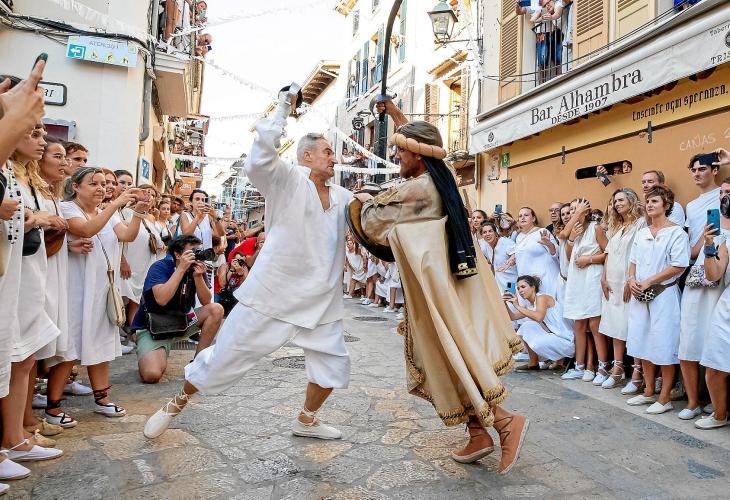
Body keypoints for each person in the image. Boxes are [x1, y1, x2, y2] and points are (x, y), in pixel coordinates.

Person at [144, 89, 353, 442]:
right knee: (225, 357)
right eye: (328, 151)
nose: (335, 158)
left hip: (322, 301)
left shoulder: (345, 198)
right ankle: (176, 404)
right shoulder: (287, 180)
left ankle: (306, 419)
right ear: (307, 156)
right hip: (273, 294)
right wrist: (284, 107)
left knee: (333, 363)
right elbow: (260, 160)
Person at [356, 98, 528, 474]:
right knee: (448, 354)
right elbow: (423, 140)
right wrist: (397, 116)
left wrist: (361, 200)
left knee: (451, 355)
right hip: (447, 290)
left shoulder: (416, 190)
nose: (396, 157)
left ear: (418, 155)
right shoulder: (441, 178)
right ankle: (477, 433)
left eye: (400, 151)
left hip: (438, 295)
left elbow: (369, 223)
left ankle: (503, 422)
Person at [51, 167, 149, 427]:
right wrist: (116, 202)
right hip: (77, 287)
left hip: (103, 288)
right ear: (76, 187)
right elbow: (86, 230)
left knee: (101, 343)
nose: (102, 188)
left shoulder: (111, 212)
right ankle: (52, 405)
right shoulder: (68, 209)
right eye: (94, 183)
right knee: (70, 346)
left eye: (105, 184)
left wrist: (137, 211)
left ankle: (102, 399)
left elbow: (126, 234)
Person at [3, 123, 64, 461]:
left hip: (33, 270)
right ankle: (12, 437)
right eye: (34, 134)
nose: (42, 141)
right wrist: (36, 218)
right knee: (15, 355)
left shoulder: (30, 179)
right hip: (16, 270)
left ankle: (20, 432)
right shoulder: (9, 174)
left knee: (26, 357)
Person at [625, 186, 689, 415]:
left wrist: (650, 280)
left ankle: (665, 398)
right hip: (640, 294)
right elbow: (633, 261)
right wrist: (632, 279)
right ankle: (648, 391)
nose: (649, 205)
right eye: (648, 201)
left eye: (654, 201)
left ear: (666, 205)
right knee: (642, 342)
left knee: (664, 344)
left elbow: (679, 265)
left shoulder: (676, 232)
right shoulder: (642, 232)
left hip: (664, 295)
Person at [134, 235, 225, 383]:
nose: (196, 255)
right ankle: (156, 351)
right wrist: (181, 269)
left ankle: (198, 363)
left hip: (181, 322)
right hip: (153, 327)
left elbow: (206, 301)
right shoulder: (160, 267)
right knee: (151, 375)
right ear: (177, 254)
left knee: (216, 309)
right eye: (192, 251)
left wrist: (198, 277)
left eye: (198, 250)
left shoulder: (196, 268)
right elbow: (161, 299)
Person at [678, 153, 722, 420]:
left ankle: (717, 403)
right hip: (695, 272)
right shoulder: (691, 206)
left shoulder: (724, 194)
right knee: (690, 336)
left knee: (714, 337)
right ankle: (693, 401)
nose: (696, 174)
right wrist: (694, 251)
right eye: (693, 170)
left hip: (719, 268)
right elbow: (690, 246)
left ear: (714, 170)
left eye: (702, 168)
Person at [598, 188, 646, 390]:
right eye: (614, 201)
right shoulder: (616, 225)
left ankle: (637, 371)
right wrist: (603, 276)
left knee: (631, 326)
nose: (617, 204)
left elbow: (639, 255)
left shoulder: (641, 223)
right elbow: (608, 253)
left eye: (621, 200)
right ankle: (617, 369)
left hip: (629, 282)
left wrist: (630, 279)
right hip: (612, 283)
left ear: (631, 200)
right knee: (615, 325)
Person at [561, 198, 608, 384]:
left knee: (595, 324)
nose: (573, 213)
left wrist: (589, 259)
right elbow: (569, 256)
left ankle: (603, 367)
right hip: (576, 279)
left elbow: (609, 252)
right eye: (571, 210)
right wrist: (572, 238)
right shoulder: (572, 230)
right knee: (579, 325)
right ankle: (579, 366)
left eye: (577, 209)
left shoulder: (595, 228)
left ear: (586, 211)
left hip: (592, 277)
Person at [697, 173, 730, 429]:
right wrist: (709, 247)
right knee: (715, 363)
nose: (724, 198)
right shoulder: (722, 237)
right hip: (727, 303)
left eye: (728, 193)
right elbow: (714, 274)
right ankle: (719, 415)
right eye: (721, 194)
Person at [504, 275, 574, 369]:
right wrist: (504, 303)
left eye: (523, 287)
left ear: (533, 287)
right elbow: (512, 317)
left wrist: (517, 306)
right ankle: (533, 363)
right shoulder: (530, 305)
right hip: (556, 338)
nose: (520, 291)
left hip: (567, 341)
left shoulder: (542, 298)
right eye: (518, 288)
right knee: (526, 326)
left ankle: (561, 361)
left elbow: (539, 317)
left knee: (536, 343)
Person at [512, 207, 560, 299]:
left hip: (545, 279)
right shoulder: (519, 237)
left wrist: (549, 244)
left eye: (526, 215)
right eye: (520, 216)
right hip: (527, 282)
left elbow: (556, 253)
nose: (522, 218)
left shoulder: (542, 232)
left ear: (533, 218)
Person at [480, 221, 517, 293]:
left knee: (511, 301)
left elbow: (517, 253)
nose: (487, 234)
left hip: (511, 282)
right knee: (503, 303)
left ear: (495, 233)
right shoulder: (486, 246)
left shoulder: (505, 242)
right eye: (484, 232)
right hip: (499, 283)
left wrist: (510, 261)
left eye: (490, 231)